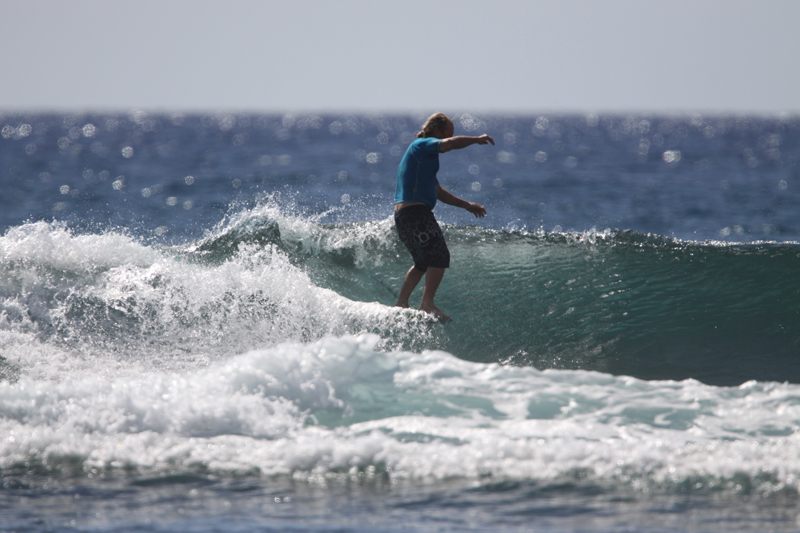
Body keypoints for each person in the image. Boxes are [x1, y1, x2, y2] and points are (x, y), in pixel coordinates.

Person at [393, 112, 494, 320]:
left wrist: (466, 205)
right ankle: (427, 304)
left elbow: (437, 191)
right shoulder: (421, 145)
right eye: (447, 133)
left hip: (405, 215)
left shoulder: (425, 158)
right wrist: (476, 140)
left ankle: (401, 304)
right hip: (416, 213)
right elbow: (450, 144)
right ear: (437, 130)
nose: (448, 138)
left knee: (423, 261)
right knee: (439, 255)